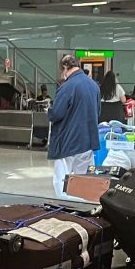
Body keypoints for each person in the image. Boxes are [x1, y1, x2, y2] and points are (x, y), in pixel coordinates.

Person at [47, 53, 99, 199]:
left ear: (65, 67)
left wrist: (49, 111)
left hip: (68, 141)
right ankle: (84, 203)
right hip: (87, 140)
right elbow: (97, 111)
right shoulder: (94, 86)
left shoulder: (67, 86)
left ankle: (65, 205)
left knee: (62, 179)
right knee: (84, 178)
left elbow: (57, 113)